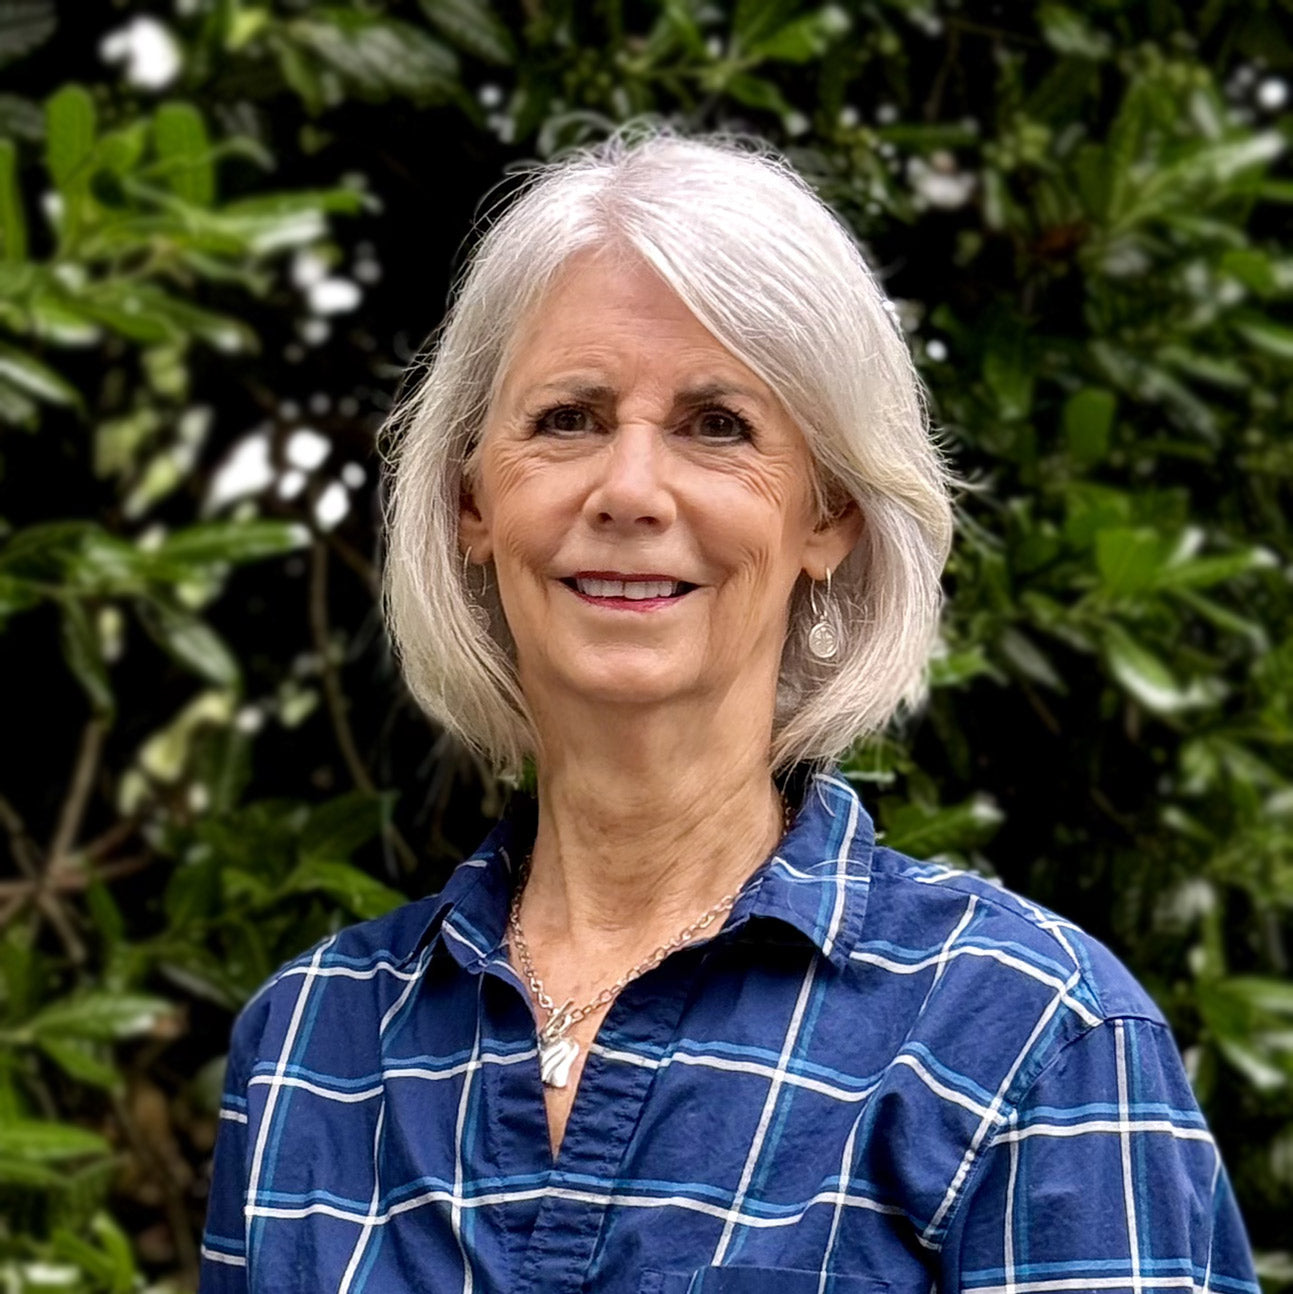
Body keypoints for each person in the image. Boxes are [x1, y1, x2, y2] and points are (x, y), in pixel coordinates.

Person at [199, 131, 1258, 1294]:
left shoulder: (1026, 1037)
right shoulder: (308, 1048)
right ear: (471, 500)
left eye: (718, 425)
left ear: (829, 512)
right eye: (568, 418)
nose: (629, 491)